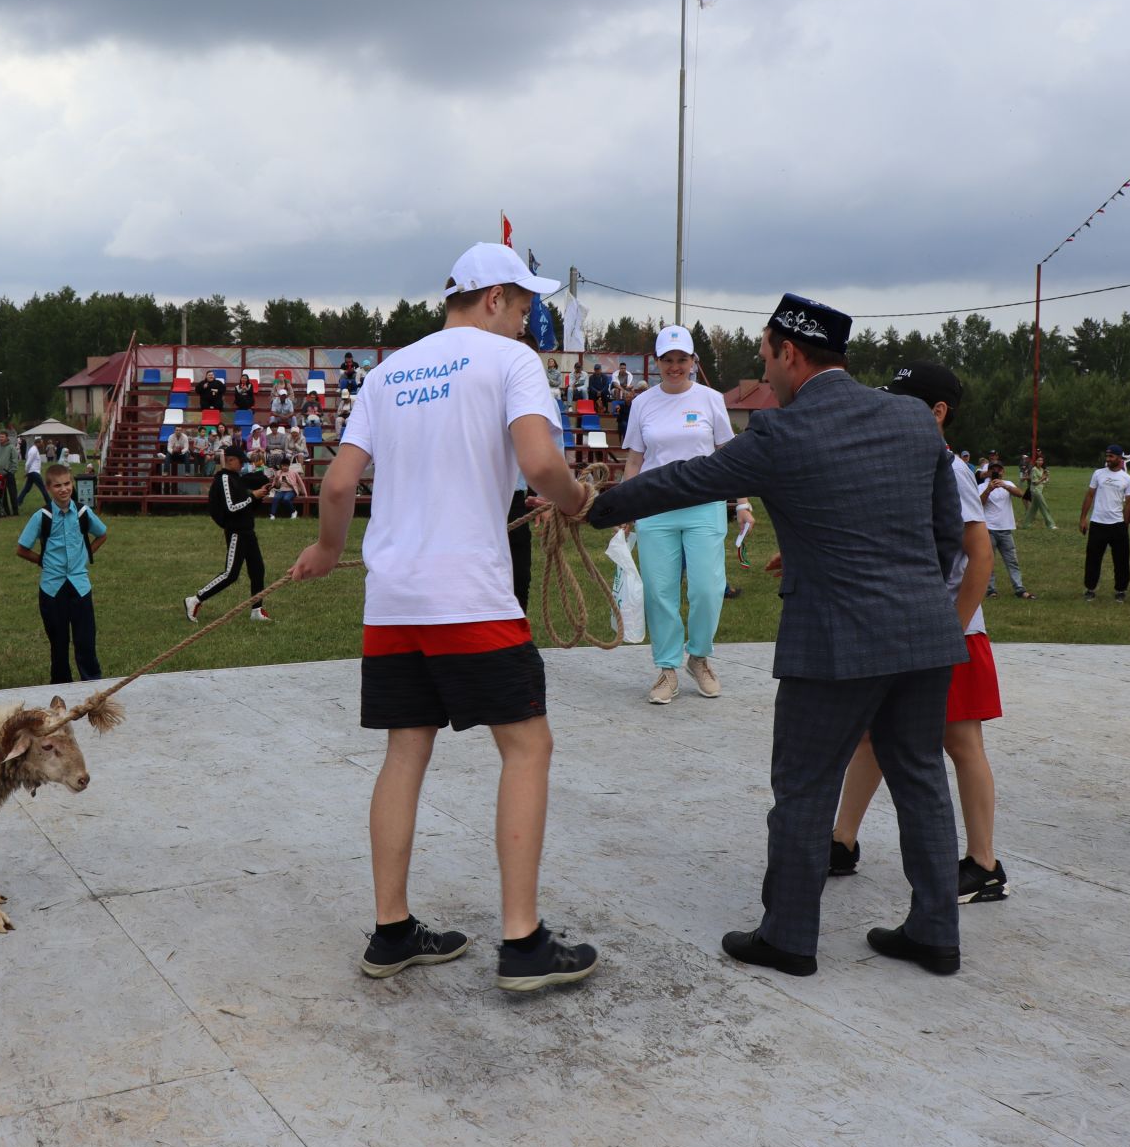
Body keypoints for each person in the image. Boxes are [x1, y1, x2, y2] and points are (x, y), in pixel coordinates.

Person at [587, 292, 969, 979]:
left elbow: (684, 479)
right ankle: (937, 931)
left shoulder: (780, 433)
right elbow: (945, 534)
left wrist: (595, 506)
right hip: (923, 633)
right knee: (921, 781)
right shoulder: (913, 419)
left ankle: (790, 935)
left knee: (803, 786)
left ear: (790, 354)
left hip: (833, 640)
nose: (765, 375)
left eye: (765, 360)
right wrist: (909, 594)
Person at [291, 242, 599, 992]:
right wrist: (578, 499)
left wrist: (330, 552)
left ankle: (392, 931)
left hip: (394, 600)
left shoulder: (389, 370)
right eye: (525, 308)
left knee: (405, 753)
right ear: (493, 298)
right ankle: (523, 944)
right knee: (528, 747)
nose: (530, 323)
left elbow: (337, 486)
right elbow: (539, 464)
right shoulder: (511, 362)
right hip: (470, 597)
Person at [829, 362, 1009, 904]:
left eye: (904, 404)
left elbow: (980, 558)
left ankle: (983, 864)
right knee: (872, 735)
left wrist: (951, 631)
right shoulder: (907, 460)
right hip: (908, 628)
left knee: (960, 741)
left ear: (937, 413)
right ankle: (842, 841)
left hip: (948, 631)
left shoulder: (948, 469)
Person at [620, 325, 752, 704]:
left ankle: (699, 657)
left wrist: (741, 503)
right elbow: (635, 459)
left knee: (708, 589)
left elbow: (730, 457)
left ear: (694, 361)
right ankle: (666, 669)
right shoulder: (643, 403)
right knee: (660, 592)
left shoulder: (710, 399)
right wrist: (626, 506)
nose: (675, 366)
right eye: (667, 360)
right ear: (657, 363)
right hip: (655, 508)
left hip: (704, 505)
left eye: (682, 359)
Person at [15, 463, 108, 685]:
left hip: (80, 586)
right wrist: (43, 561)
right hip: (52, 588)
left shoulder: (83, 512)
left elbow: (102, 534)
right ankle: (60, 686)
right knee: (58, 643)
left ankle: (92, 684)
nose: (63, 489)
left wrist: (84, 555)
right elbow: (21, 549)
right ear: (48, 488)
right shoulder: (42, 516)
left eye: (67, 484)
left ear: (72, 485)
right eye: (58, 486)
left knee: (85, 640)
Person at [184, 446, 272, 622]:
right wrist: (253, 496)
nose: (242, 466)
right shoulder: (224, 478)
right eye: (240, 462)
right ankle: (195, 599)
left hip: (248, 531)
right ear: (231, 460)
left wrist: (259, 496)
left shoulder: (236, 478)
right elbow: (231, 507)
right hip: (236, 533)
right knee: (230, 574)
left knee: (257, 570)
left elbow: (245, 505)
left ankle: (257, 610)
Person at [1079, 445, 1130, 602]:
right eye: (1107, 456)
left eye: (1111, 456)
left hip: (1117, 524)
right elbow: (1090, 495)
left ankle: (1120, 590)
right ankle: (1090, 589)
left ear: (1119, 458)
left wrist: (1125, 523)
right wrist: (1083, 518)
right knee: (1093, 558)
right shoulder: (1098, 474)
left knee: (1121, 559)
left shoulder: (1127, 478)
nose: (1108, 459)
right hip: (1098, 523)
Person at [978, 462, 1034, 599]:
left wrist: (1005, 486)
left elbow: (1021, 494)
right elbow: (979, 503)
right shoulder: (982, 486)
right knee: (989, 561)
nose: (996, 472)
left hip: (1005, 529)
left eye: (999, 469)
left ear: (1003, 471)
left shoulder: (1008, 484)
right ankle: (991, 590)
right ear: (989, 472)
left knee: (1012, 560)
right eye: (993, 470)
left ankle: (1019, 588)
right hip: (988, 529)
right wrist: (989, 490)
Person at [1020, 454, 1057, 529]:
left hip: (1040, 490)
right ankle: (1050, 524)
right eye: (1039, 460)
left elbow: (1045, 481)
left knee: (1033, 509)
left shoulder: (1042, 470)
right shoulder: (1034, 469)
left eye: (1041, 460)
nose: (1040, 462)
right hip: (1035, 491)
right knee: (1044, 507)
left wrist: (1046, 477)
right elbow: (1034, 482)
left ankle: (1025, 525)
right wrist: (1043, 478)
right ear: (1036, 461)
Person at [0, 430, 22, 513]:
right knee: (2, 494)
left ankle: (15, 511)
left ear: (6, 438)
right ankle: (6, 511)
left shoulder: (11, 448)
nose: (0, 438)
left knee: (12, 493)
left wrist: (11, 471)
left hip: (9, 474)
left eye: (2, 437)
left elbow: (14, 460)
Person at [18, 436, 46, 509]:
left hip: (32, 472)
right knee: (43, 489)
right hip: (34, 473)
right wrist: (26, 471)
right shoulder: (33, 450)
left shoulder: (35, 450)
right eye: (41, 443)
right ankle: (49, 503)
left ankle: (18, 501)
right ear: (37, 443)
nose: (42, 445)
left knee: (26, 489)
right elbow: (28, 463)